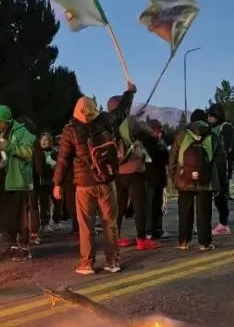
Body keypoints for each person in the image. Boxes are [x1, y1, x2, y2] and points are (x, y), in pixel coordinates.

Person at [53, 82, 136, 274]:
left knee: (86, 226)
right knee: (110, 222)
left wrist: (57, 184)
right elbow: (122, 111)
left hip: (84, 185)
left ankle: (87, 263)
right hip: (107, 181)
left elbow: (63, 160)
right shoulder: (105, 121)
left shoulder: (70, 130)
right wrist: (129, 92)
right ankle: (113, 261)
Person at [108, 97, 158, 251]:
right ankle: (141, 239)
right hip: (134, 170)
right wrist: (139, 120)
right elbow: (147, 132)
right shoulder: (129, 121)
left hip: (118, 171)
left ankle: (115, 237)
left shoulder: (107, 124)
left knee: (119, 207)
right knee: (139, 205)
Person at [0, 105, 36, 261]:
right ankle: (12, 245)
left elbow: (29, 153)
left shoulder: (23, 133)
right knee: (7, 216)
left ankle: (24, 247)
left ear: (7, 121)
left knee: (21, 216)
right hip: (3, 181)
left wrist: (8, 147)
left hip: (19, 180)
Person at [170, 109, 218, 251]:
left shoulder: (182, 135)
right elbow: (219, 161)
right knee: (204, 212)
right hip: (205, 180)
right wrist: (219, 182)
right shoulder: (212, 136)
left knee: (185, 211)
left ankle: (183, 242)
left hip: (185, 179)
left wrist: (174, 177)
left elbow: (173, 157)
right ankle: (204, 243)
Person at [206, 103, 234, 237]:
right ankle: (217, 223)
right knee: (214, 196)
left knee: (220, 195)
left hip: (222, 167)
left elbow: (229, 147)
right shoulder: (211, 128)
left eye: (211, 116)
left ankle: (223, 224)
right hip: (212, 166)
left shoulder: (226, 127)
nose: (209, 118)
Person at [143, 118, 170, 240]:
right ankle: (149, 230)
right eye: (157, 130)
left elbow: (166, 158)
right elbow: (154, 156)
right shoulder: (147, 143)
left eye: (160, 130)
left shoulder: (161, 142)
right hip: (150, 177)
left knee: (158, 204)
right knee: (150, 205)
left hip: (160, 176)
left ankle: (158, 228)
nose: (159, 133)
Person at [33, 132, 58, 233]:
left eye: (46, 140)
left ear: (50, 142)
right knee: (44, 203)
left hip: (52, 181)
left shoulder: (54, 152)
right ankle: (44, 223)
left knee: (56, 202)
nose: (43, 142)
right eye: (42, 139)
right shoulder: (37, 152)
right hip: (41, 182)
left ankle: (56, 220)